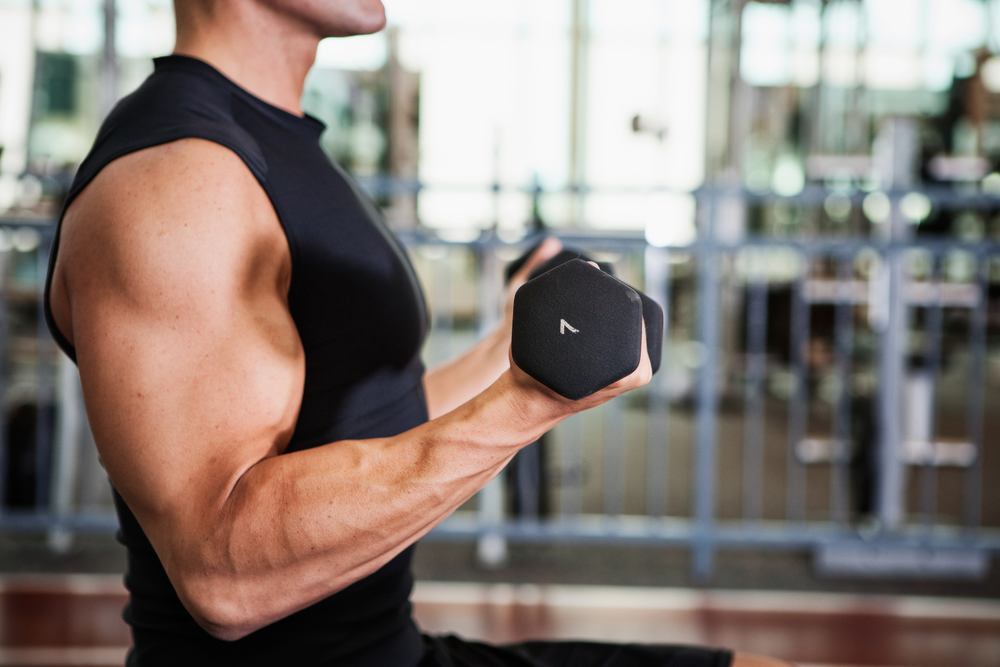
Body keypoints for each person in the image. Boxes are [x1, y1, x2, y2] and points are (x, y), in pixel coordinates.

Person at [44, 1, 786, 665]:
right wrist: (530, 402)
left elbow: (364, 418)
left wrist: (510, 348)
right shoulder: (178, 179)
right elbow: (224, 572)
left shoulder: (268, 141)